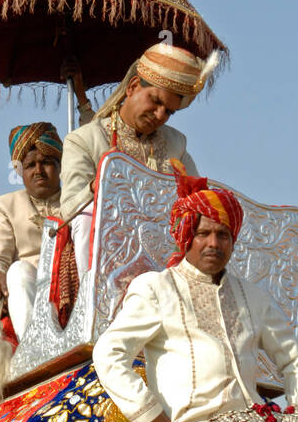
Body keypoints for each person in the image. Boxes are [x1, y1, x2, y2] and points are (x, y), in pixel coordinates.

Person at [92, 173, 298, 422]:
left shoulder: (254, 298)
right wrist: (150, 415)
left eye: (223, 235)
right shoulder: (157, 288)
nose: (213, 243)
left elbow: (294, 359)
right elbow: (108, 353)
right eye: (204, 234)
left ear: (233, 242)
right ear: (186, 237)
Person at [60, 43, 212, 278]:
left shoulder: (176, 144)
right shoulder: (84, 140)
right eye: (156, 102)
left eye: (170, 111)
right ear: (132, 87)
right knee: (87, 213)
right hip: (107, 256)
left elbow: (199, 198)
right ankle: (95, 306)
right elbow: (69, 209)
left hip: (162, 251)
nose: (161, 116)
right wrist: (96, 187)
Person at [0, 123, 63, 340]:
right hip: (28, 289)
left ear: (60, 166)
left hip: (70, 287)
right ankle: (34, 347)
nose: (39, 171)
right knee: (17, 271)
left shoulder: (77, 200)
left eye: (46, 163)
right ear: (19, 171)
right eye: (30, 165)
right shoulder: (6, 205)